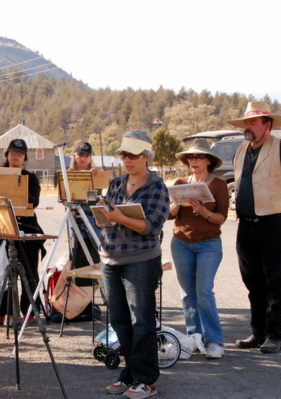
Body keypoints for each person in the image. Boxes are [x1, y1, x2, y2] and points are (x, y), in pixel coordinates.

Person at [227, 101, 281, 353]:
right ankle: (258, 332)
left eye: (253, 123)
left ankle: (275, 334)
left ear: (267, 125)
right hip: (246, 224)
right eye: (246, 123)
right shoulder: (241, 150)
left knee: (276, 280)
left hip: (273, 223)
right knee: (252, 281)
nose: (247, 127)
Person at [98, 130, 169, 399]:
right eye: (124, 154)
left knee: (142, 321)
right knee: (118, 321)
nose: (127, 160)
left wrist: (118, 217)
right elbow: (106, 219)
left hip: (141, 260)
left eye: (133, 155)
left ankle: (146, 380)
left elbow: (151, 227)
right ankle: (130, 374)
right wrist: (102, 215)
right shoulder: (116, 183)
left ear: (147, 157)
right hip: (110, 258)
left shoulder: (157, 186)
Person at [169, 142, 228, 359]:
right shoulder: (180, 182)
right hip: (181, 242)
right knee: (187, 294)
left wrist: (202, 211)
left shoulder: (218, 185)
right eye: (191, 157)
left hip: (209, 244)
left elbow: (221, 218)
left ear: (208, 161)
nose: (194, 161)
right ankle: (194, 337)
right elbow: (169, 215)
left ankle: (214, 341)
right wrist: (175, 205)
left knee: (204, 292)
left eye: (199, 157)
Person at [0, 138, 46, 325]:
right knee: (5, 273)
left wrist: (17, 191)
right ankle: (3, 312)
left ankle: (30, 311)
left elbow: (35, 201)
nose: (15, 156)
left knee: (30, 271)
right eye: (12, 153)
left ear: (24, 158)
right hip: (4, 227)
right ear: (7, 155)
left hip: (28, 228)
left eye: (19, 154)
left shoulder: (31, 178)